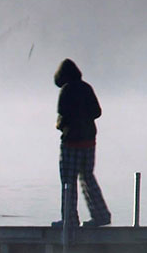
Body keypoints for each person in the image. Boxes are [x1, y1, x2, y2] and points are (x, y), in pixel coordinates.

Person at [50, 59, 110, 228]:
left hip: (72, 143)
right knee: (88, 179)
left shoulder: (66, 90)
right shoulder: (86, 87)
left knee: (68, 182)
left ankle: (69, 220)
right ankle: (101, 216)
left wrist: (60, 125)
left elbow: (62, 117)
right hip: (89, 142)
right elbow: (97, 112)